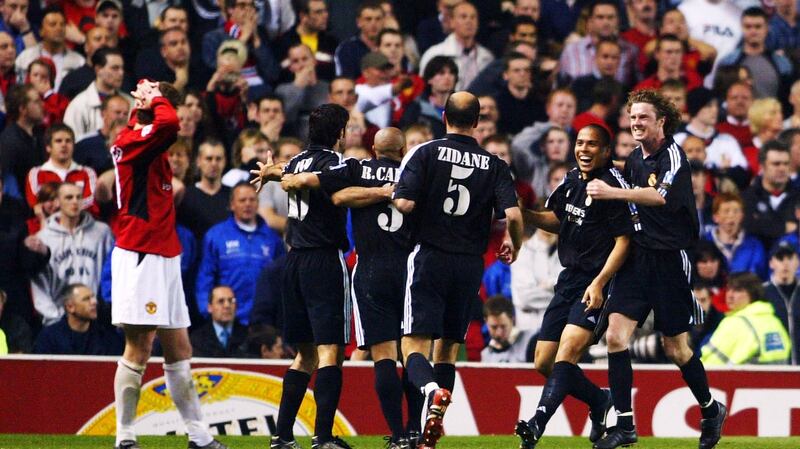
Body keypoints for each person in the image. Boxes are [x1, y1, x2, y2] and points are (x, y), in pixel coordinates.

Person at [585, 89, 725, 449]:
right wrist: (593, 168)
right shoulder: (635, 157)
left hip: (669, 260)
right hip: (638, 259)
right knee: (616, 337)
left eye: (643, 117)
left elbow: (659, 196)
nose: (636, 123)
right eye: (633, 118)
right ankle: (625, 425)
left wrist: (613, 192)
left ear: (661, 121)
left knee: (677, 349)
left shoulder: (674, 156)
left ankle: (710, 410)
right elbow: (629, 180)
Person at [392, 91, 523, 449]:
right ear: (477, 122)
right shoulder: (495, 164)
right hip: (469, 265)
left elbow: (403, 203)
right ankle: (425, 434)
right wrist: (513, 243)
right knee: (447, 349)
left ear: (444, 115)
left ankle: (432, 391)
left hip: (429, 257)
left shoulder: (425, 152)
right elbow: (512, 216)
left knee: (412, 347)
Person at [109, 80, 226, 449]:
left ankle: (199, 436)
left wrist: (152, 97)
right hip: (141, 253)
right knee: (139, 348)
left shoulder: (146, 138)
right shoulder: (132, 142)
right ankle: (125, 437)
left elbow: (166, 125)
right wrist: (155, 96)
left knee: (179, 349)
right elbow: (170, 123)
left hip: (164, 255)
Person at [280, 127, 414, 448]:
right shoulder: (415, 174)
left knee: (380, 354)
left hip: (366, 270)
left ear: (372, 147)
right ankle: (412, 431)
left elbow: (337, 194)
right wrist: (390, 192)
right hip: (410, 270)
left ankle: (396, 434)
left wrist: (284, 174)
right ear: (405, 149)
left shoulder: (357, 168)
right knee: (413, 352)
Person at [515, 124, 634, 448]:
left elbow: (624, 242)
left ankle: (537, 422)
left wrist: (599, 283)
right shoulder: (570, 180)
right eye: (580, 143)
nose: (584, 149)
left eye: (592, 144)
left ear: (606, 151)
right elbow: (557, 219)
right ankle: (598, 399)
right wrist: (525, 214)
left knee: (567, 353)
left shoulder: (612, 187)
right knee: (544, 362)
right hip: (568, 279)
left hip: (597, 282)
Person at [251, 103, 355, 449]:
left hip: (293, 260)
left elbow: (294, 172)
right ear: (339, 132)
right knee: (330, 351)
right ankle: (322, 437)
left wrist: (275, 172)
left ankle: (281, 436)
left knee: (304, 354)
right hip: (324, 260)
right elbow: (318, 180)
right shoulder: (335, 163)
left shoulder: (294, 160)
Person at [195, 182, 285, 325]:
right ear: (232, 205)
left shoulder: (272, 239)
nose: (247, 204)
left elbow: (282, 279)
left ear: (258, 204)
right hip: (228, 320)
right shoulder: (216, 236)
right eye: (242, 200)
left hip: (263, 321)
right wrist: (206, 311)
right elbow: (205, 277)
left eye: (252, 200)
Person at [30, 182, 113, 326]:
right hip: (57, 322)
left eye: (78, 197)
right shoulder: (43, 238)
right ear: (57, 201)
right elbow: (39, 285)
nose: (75, 201)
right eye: (69, 197)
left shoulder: (102, 232)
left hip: (97, 318)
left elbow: (112, 273)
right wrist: (55, 319)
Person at [701, 272, 791, 365]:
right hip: (777, 379)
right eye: (729, 289)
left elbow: (711, 363)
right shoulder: (774, 321)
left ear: (753, 294)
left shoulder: (735, 323)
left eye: (738, 290)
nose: (730, 295)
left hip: (743, 379)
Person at [717, 7, 793, 100]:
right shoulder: (728, 63)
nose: (753, 31)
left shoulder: (782, 64)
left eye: (758, 27)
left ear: (767, 28)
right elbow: (720, 98)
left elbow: (787, 100)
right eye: (748, 27)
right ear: (742, 28)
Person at [24, 124, 98, 214]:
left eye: (68, 141)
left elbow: (89, 204)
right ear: (48, 147)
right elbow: (37, 205)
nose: (64, 145)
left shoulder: (87, 173)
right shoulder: (36, 174)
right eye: (58, 141)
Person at [418, 2, 493, 91]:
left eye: (473, 17)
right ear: (452, 22)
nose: (469, 21)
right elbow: (423, 88)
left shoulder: (487, 57)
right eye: (463, 17)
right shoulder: (434, 54)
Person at [33, 283, 123, 354]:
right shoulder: (49, 338)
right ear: (70, 307)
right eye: (86, 299)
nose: (94, 302)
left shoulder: (106, 337)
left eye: (93, 297)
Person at [742, 140, 799, 251]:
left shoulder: (798, 196)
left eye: (786, 164)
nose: (782, 169)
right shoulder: (747, 197)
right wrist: (784, 227)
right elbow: (748, 227)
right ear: (762, 166)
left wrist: (764, 225)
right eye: (776, 164)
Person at [63, 47, 129, 139]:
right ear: (98, 70)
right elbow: (72, 141)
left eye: (122, 68)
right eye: (115, 68)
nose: (121, 73)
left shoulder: (130, 102)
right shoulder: (79, 105)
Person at [14, 6, 85, 90]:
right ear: (41, 31)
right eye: (53, 24)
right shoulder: (25, 57)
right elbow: (19, 90)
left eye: (62, 25)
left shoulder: (78, 61)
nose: (59, 28)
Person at [703, 192, 767, 279]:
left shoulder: (754, 245)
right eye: (726, 211)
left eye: (736, 211)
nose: (731, 216)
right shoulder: (704, 242)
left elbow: (759, 276)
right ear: (715, 217)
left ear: (742, 216)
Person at [177, 140, 231, 240]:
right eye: (209, 159)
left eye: (218, 159)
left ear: (224, 162)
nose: (214, 163)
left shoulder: (233, 196)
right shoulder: (185, 196)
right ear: (198, 161)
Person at [277, 0, 338, 82]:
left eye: (325, 11)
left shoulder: (331, 42)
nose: (325, 15)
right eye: (318, 12)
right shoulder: (282, 43)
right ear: (303, 16)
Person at [0, 83, 45, 194]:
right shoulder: (10, 142)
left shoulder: (39, 134)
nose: (42, 105)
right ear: (23, 109)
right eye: (36, 102)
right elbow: (11, 185)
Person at [73, 94, 130, 175]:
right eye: (117, 112)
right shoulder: (85, 144)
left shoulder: (132, 143)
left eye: (125, 114)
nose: (121, 117)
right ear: (103, 113)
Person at [764, 241, 800, 364]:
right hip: (777, 367)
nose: (785, 263)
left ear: (797, 262)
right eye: (780, 258)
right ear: (771, 263)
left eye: (790, 258)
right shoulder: (762, 293)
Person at [190, 285, 247, 357]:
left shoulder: (247, 336)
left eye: (231, 301)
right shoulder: (197, 338)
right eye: (221, 301)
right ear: (210, 307)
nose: (227, 305)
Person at [334, 0, 385, 79]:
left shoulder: (392, 46)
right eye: (368, 19)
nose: (374, 23)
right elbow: (346, 80)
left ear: (383, 21)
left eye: (378, 19)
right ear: (358, 22)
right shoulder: (347, 49)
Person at [480, 295, 536, 363]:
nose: (499, 332)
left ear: (512, 320)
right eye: (494, 327)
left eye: (503, 326)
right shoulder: (486, 356)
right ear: (486, 322)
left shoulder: (532, 341)